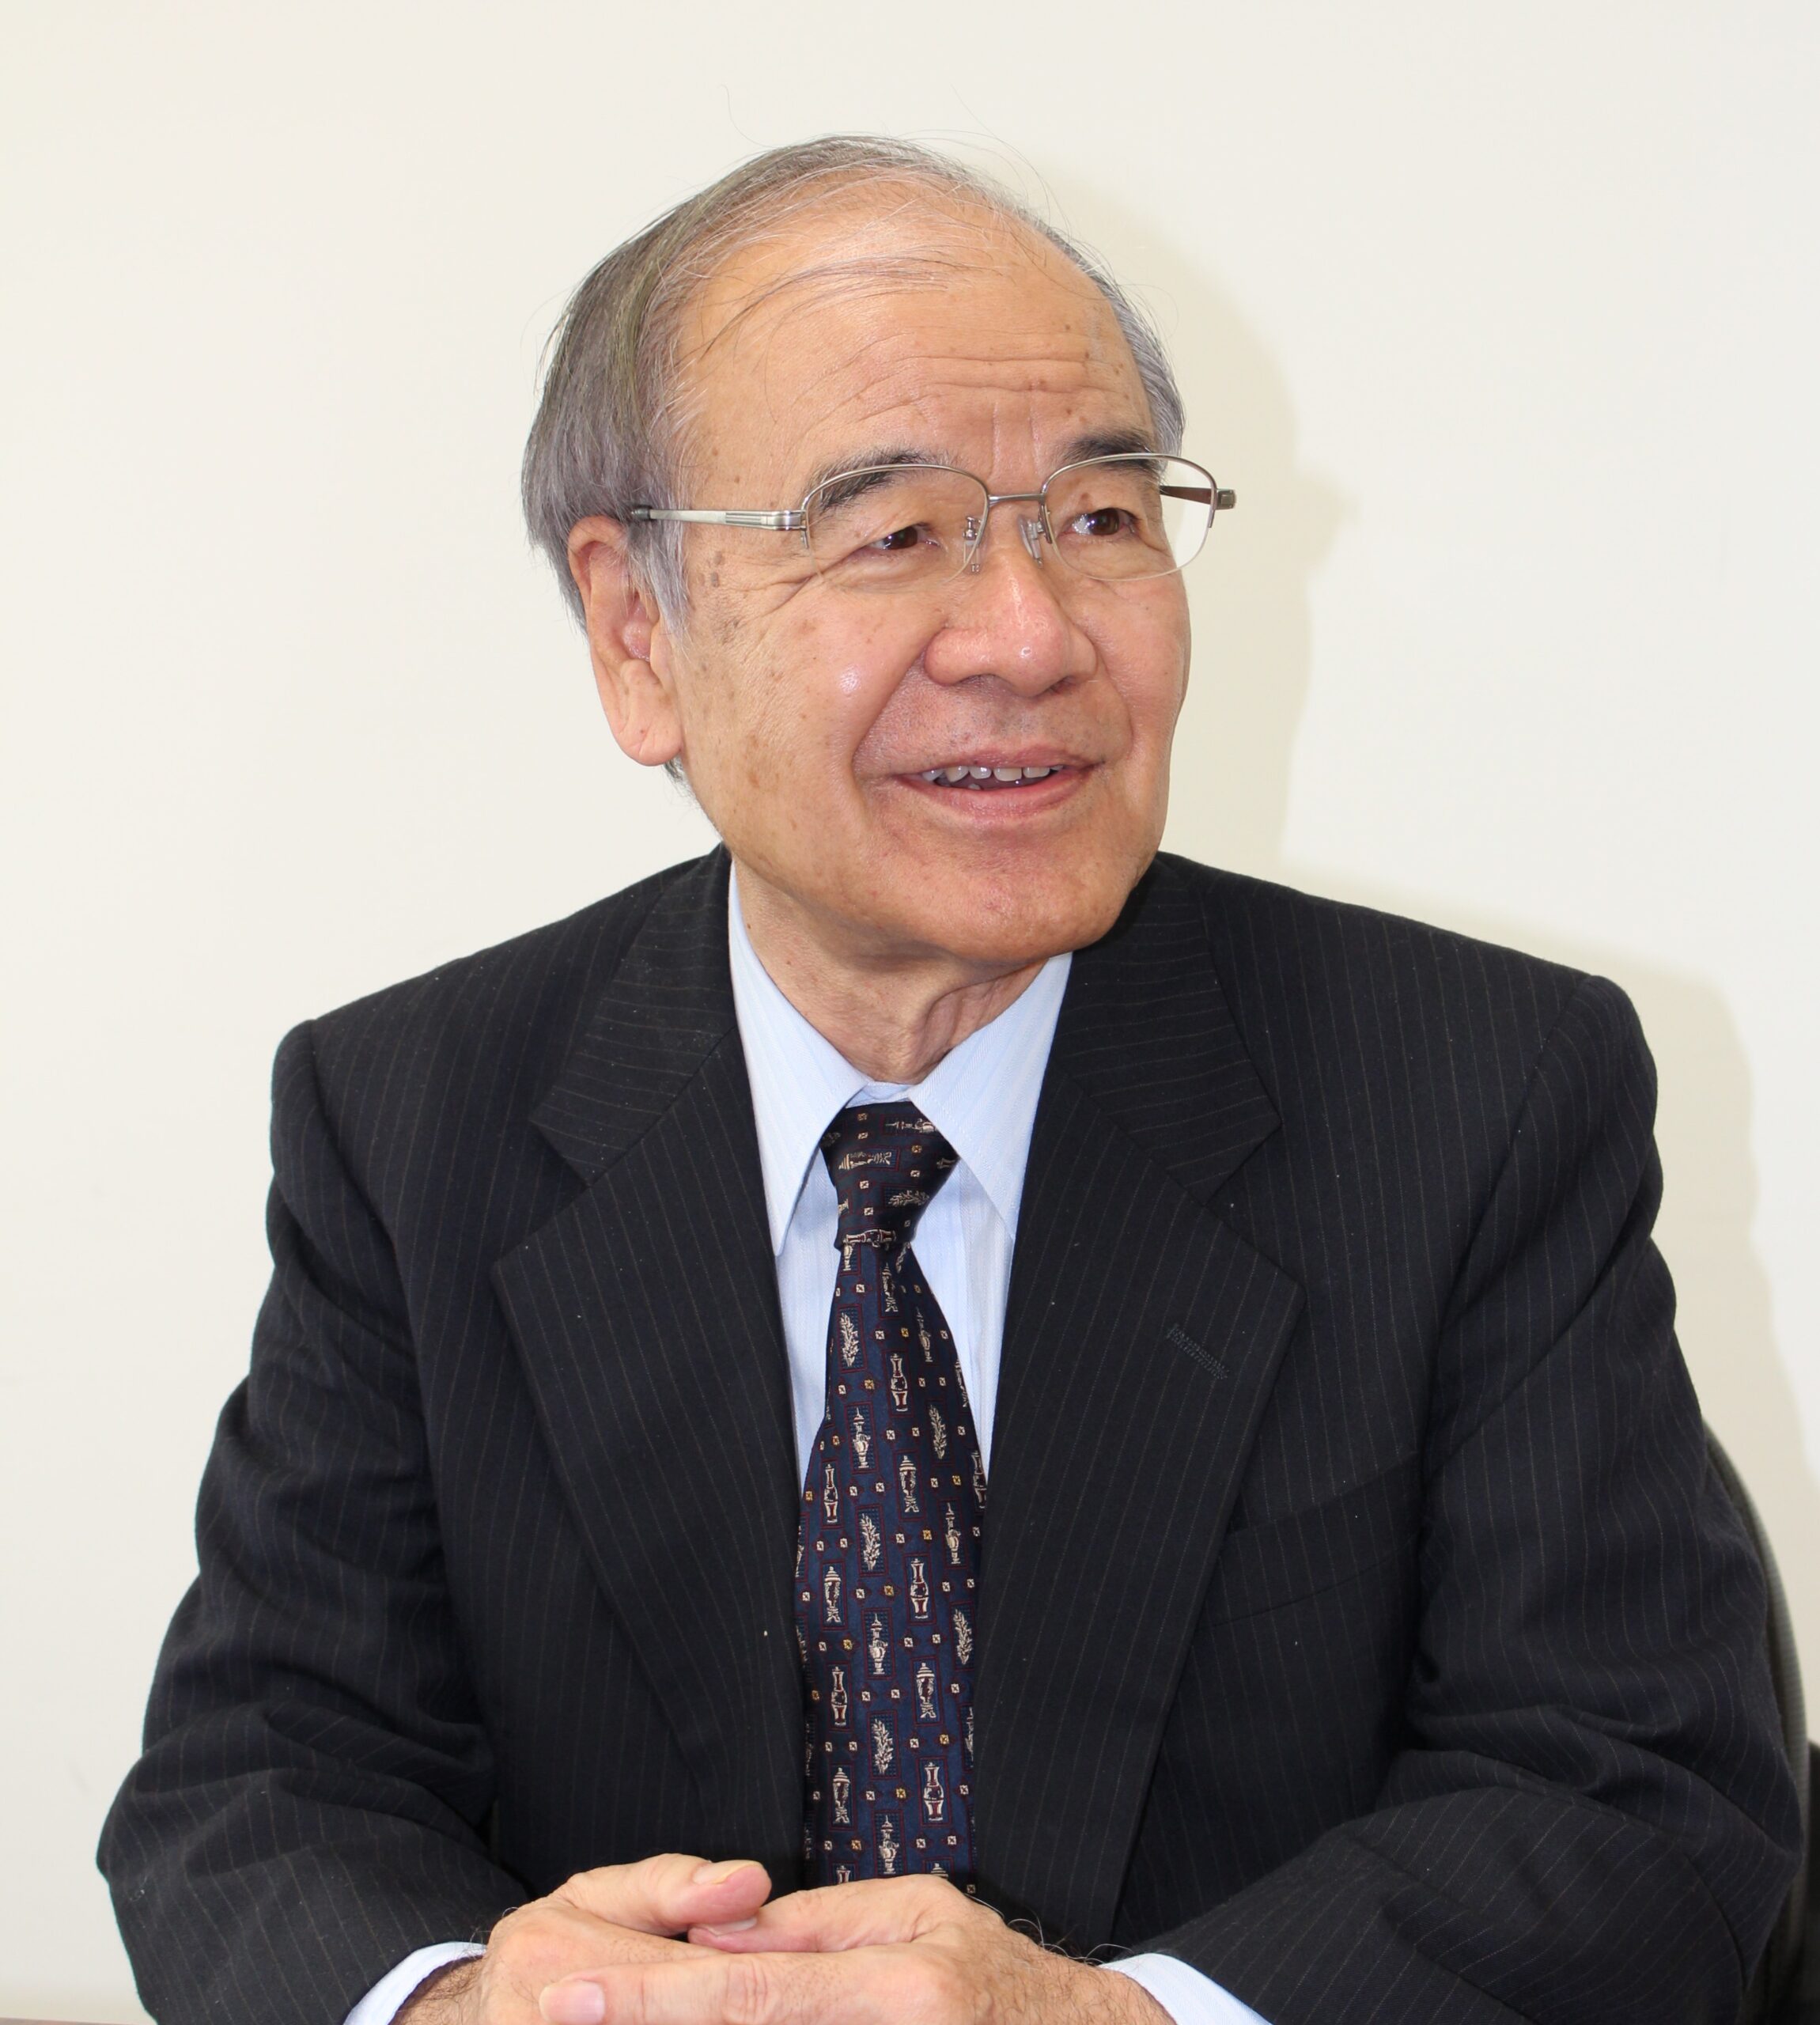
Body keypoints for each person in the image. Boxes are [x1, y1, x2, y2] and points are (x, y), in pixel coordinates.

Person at [100, 136, 1801, 2025]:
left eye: (1099, 515)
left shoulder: (1474, 1096)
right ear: (635, 630)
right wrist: (462, 2004)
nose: (1029, 636)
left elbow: (1632, 1792)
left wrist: (1114, 2019)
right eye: (895, 532)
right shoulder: (413, 1118)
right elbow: (259, 1781)